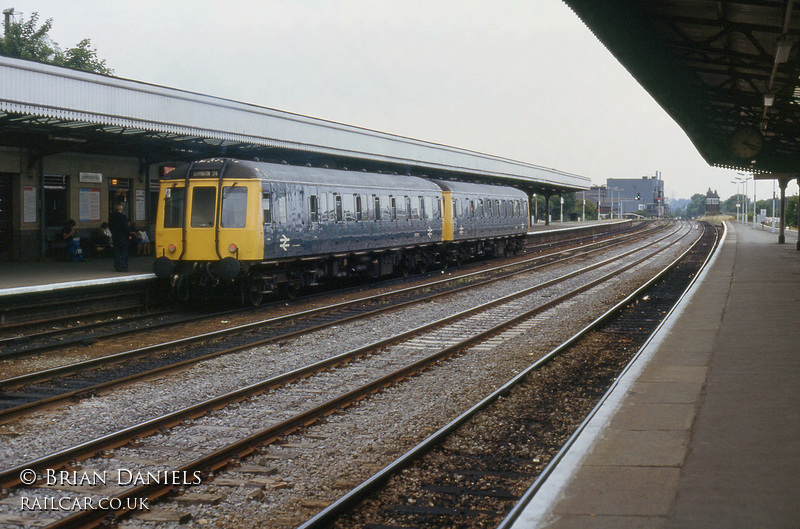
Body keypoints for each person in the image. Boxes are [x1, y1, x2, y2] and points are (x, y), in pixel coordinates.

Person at [109, 204, 131, 272]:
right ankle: (123, 266)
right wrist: (128, 235)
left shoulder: (111, 216)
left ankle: (117, 266)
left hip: (115, 236)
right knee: (124, 252)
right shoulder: (123, 217)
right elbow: (125, 227)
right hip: (123, 236)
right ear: (121, 209)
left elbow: (110, 226)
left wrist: (113, 233)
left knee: (117, 252)